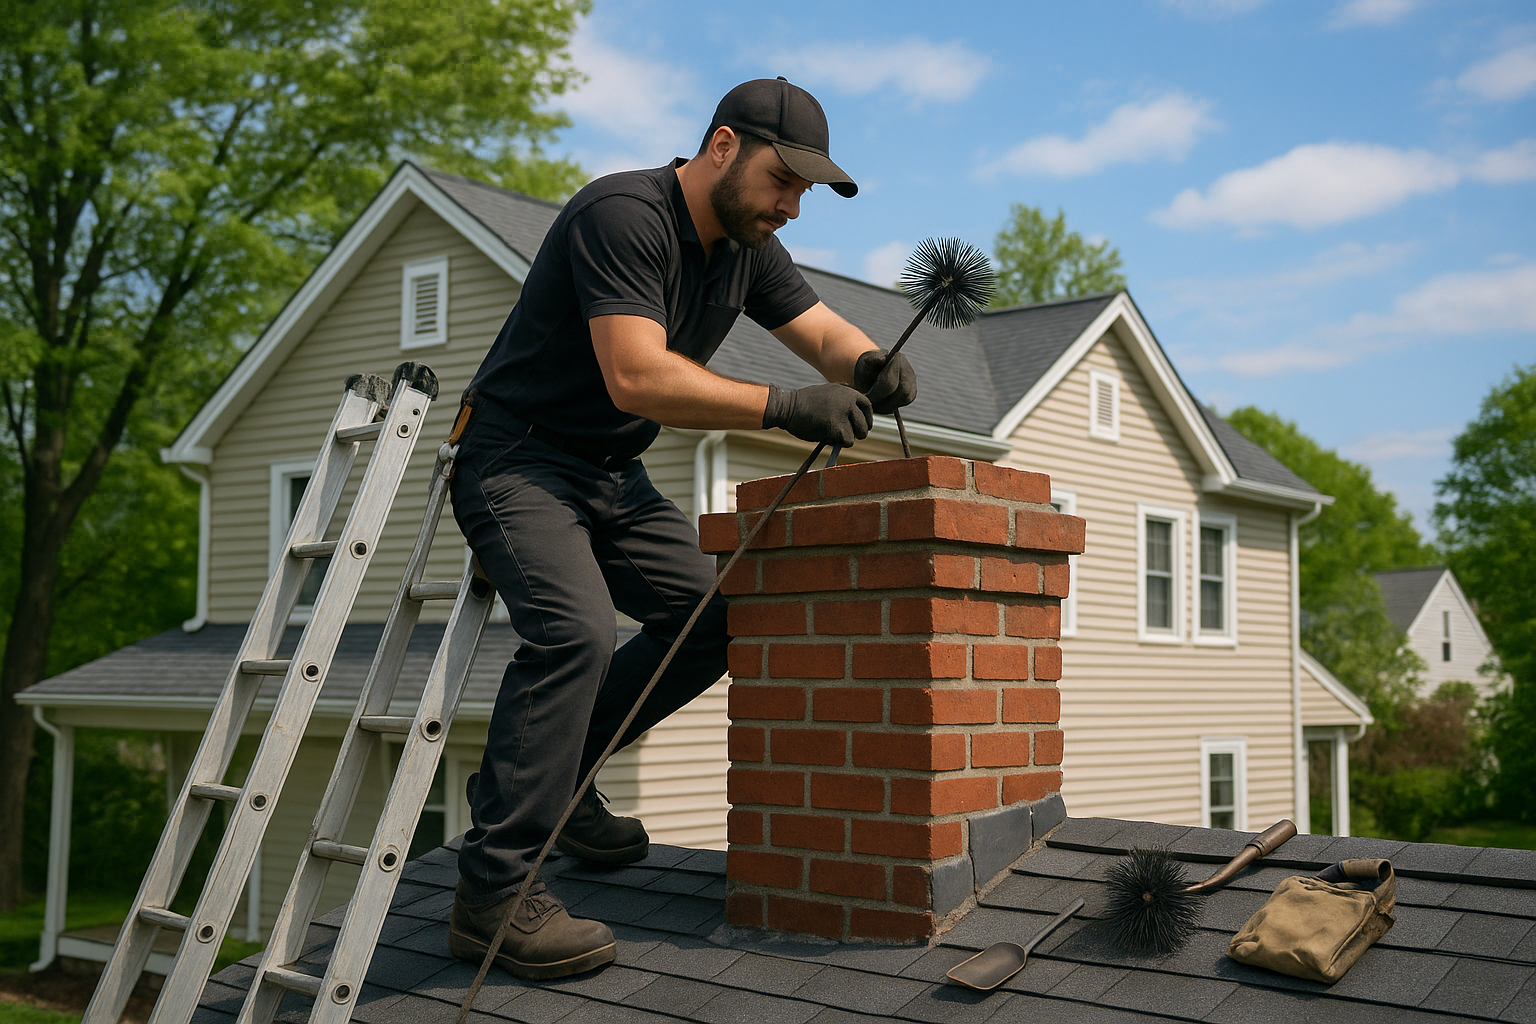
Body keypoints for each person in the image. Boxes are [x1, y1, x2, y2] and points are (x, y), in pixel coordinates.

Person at [446, 77, 918, 980]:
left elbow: (821, 333)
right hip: (516, 462)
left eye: (805, 194)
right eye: (783, 180)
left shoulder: (745, 246)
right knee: (576, 634)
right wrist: (785, 406)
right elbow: (636, 377)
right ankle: (493, 895)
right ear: (723, 147)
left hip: (610, 476)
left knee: (720, 619)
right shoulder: (624, 215)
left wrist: (869, 364)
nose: (790, 206)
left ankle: (564, 784)